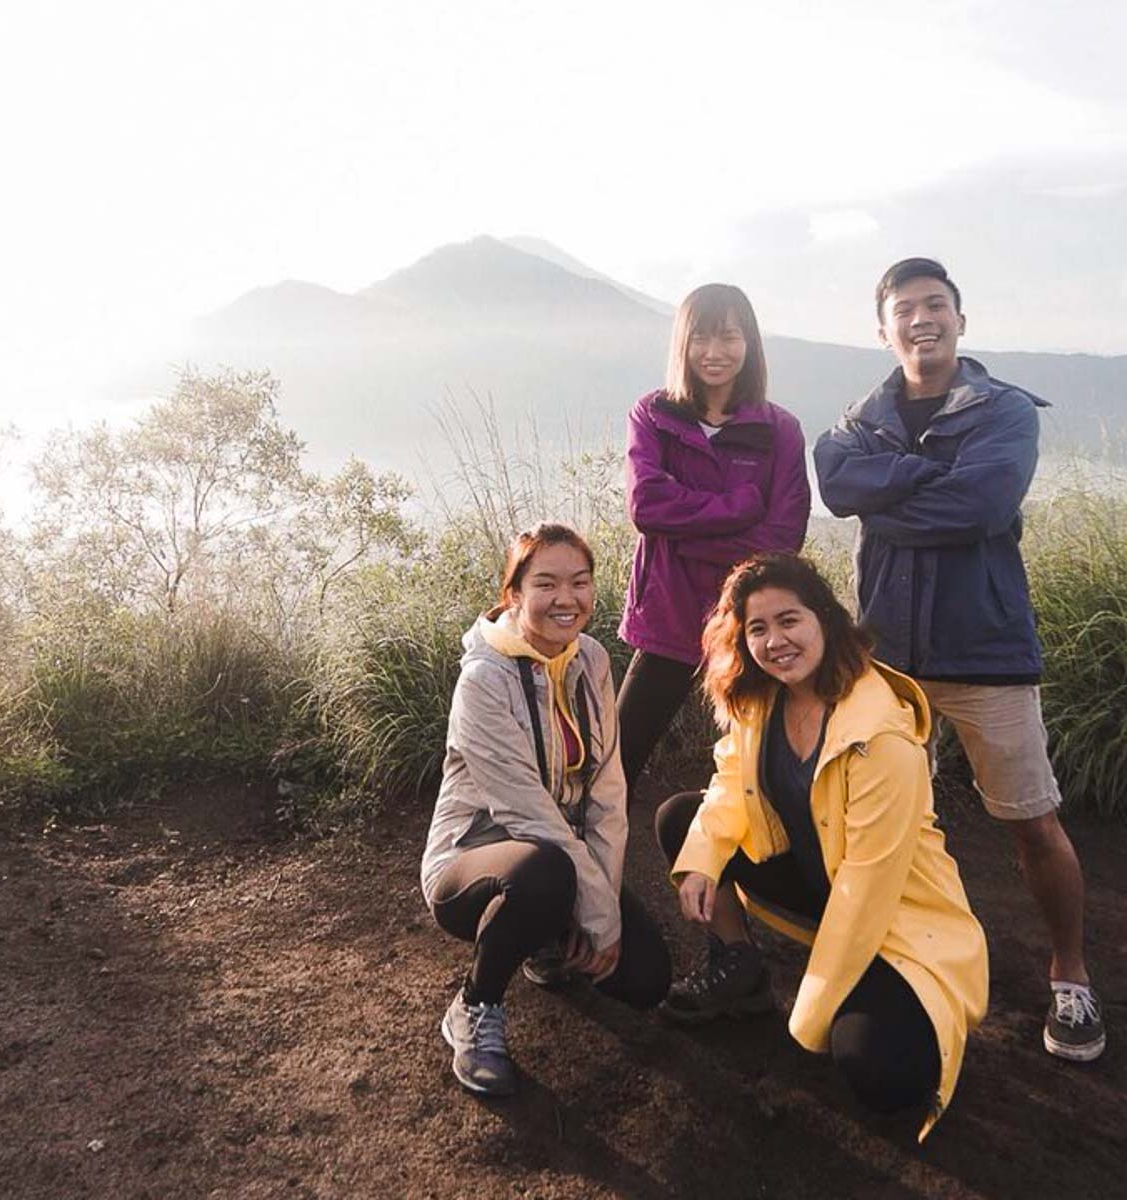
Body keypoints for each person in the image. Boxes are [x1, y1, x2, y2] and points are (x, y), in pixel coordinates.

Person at [813, 257, 1105, 1063]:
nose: (921, 319)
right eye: (905, 309)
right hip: (887, 658)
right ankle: (898, 959)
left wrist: (893, 493)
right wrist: (930, 481)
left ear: (960, 320)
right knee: (883, 817)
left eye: (935, 305)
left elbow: (983, 502)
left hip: (986, 652)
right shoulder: (859, 419)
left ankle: (1071, 975)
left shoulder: (1006, 409)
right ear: (884, 330)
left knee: (1031, 820)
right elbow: (836, 485)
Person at [655, 553, 987, 1140]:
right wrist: (702, 863)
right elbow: (730, 785)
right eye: (757, 628)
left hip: (893, 916)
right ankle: (741, 968)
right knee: (683, 821)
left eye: (790, 621)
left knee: (876, 1072)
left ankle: (905, 1009)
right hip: (820, 880)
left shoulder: (879, 731)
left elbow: (866, 887)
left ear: (826, 621)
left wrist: (807, 1017)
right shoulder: (761, 698)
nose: (775, 641)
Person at [421, 522, 671, 1097]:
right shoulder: (482, 680)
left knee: (646, 980)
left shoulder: (593, 660)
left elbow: (608, 793)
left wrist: (601, 905)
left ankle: (545, 937)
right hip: (477, 862)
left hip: (561, 853)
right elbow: (528, 814)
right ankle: (474, 1007)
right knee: (544, 874)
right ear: (514, 595)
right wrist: (595, 913)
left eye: (580, 582)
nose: (567, 598)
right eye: (547, 583)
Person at [617, 283, 810, 795]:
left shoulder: (780, 429)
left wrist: (687, 541)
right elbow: (647, 506)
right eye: (701, 337)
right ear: (682, 343)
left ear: (749, 343)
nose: (714, 352)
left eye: (729, 336)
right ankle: (594, 873)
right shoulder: (653, 415)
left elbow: (783, 538)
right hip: (668, 616)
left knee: (762, 772)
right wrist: (742, 507)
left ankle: (747, 875)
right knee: (616, 766)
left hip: (750, 621)